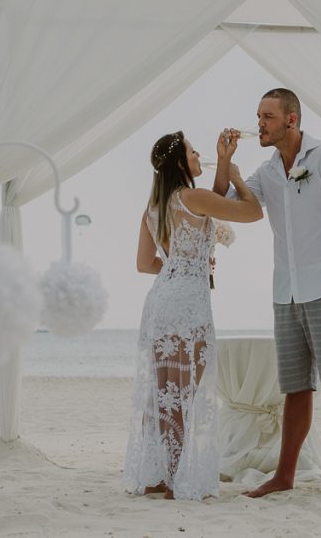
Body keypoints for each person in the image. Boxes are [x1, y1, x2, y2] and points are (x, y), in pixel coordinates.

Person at [214, 88, 321, 501]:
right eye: (258, 116)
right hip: (287, 292)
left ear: (291, 120)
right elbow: (227, 203)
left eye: (267, 116)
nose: (259, 124)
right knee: (296, 388)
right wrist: (226, 162)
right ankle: (284, 476)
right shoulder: (267, 172)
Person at [122, 130, 262, 500]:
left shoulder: (154, 206)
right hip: (188, 305)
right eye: (194, 152)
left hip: (160, 301)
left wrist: (185, 265)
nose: (200, 156)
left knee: (164, 393)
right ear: (182, 163)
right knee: (185, 393)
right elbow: (252, 212)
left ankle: (157, 475)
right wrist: (234, 176)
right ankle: (176, 481)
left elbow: (144, 263)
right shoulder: (192, 197)